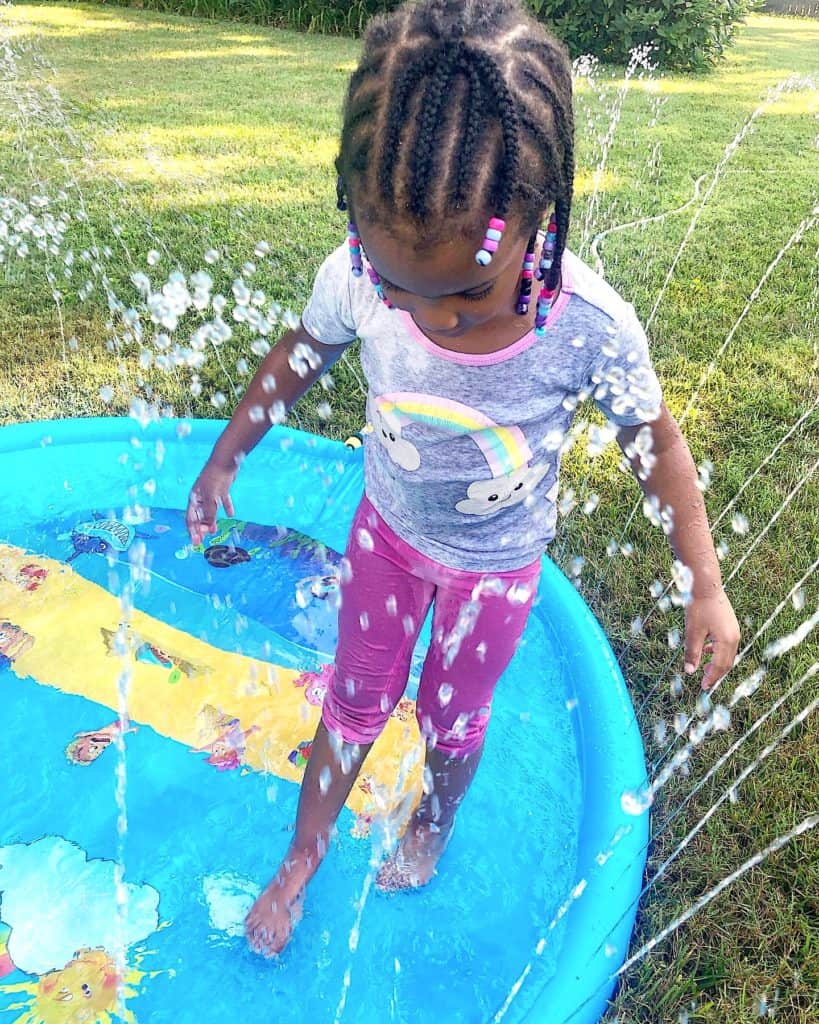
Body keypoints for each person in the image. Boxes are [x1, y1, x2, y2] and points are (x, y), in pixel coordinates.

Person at [185, 0, 741, 959]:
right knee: (353, 702)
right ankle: (303, 853)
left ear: (539, 221)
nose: (426, 319)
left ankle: (435, 819)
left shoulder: (588, 327)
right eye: (399, 287)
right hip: (388, 538)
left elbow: (655, 445)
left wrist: (705, 581)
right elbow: (303, 353)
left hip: (496, 567)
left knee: (451, 719)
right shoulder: (359, 272)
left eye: (463, 293)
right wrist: (230, 450)